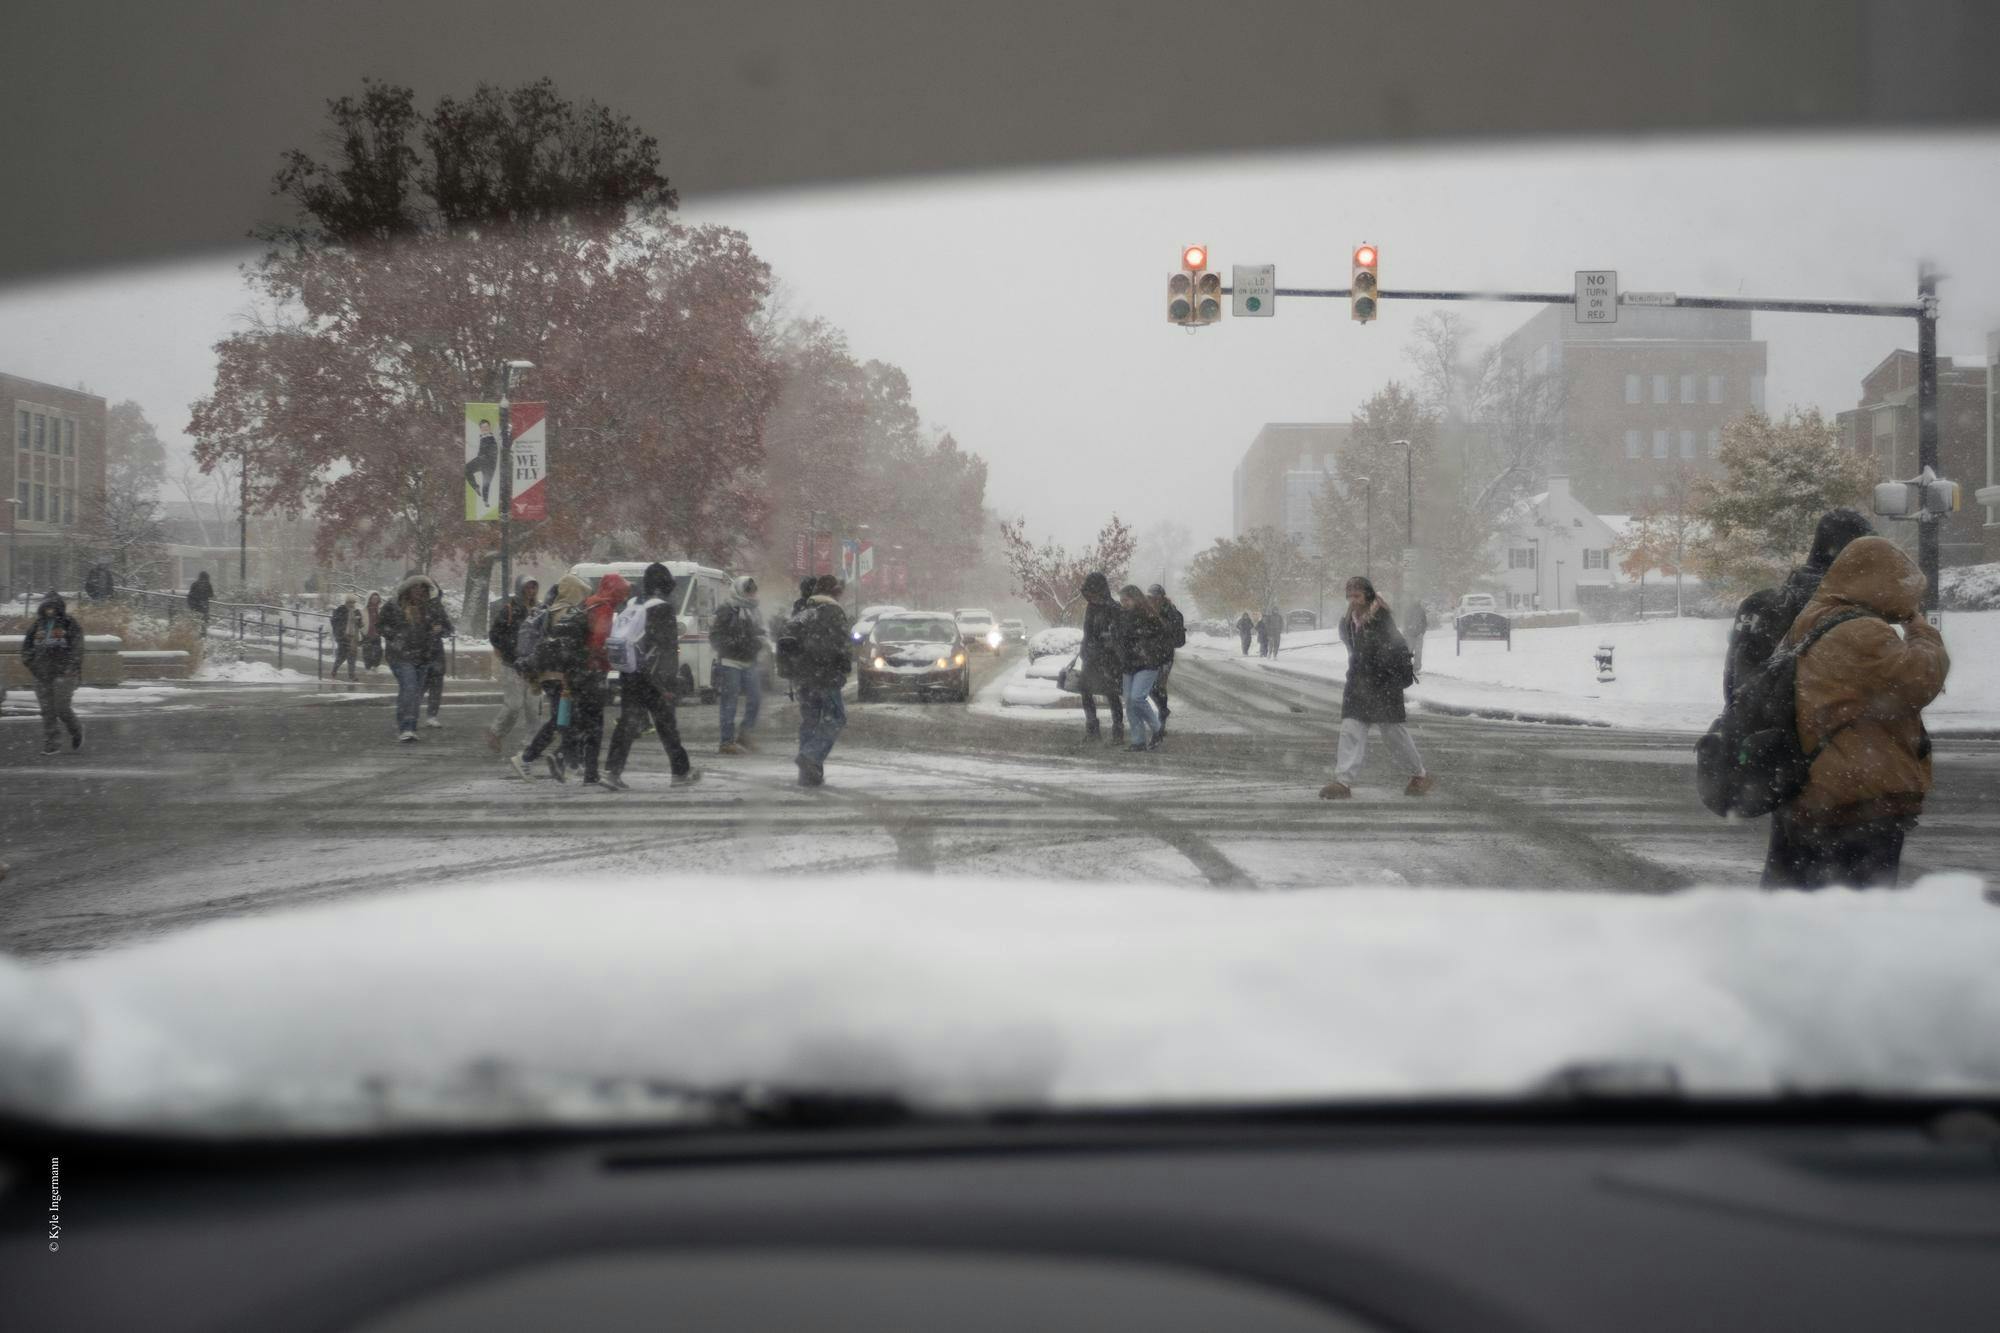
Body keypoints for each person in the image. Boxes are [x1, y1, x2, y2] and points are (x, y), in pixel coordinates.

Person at [1762, 536, 1948, 890]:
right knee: (1861, 913)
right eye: (1904, 587)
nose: (1911, 599)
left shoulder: (1814, 617)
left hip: (1815, 789)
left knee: (1813, 905)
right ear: (1877, 583)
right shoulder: (1862, 631)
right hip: (1858, 798)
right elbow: (1921, 678)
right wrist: (1921, 630)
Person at [1724, 508, 1874, 700]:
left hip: (1751, 725)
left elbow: (1734, 686)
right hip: (1812, 727)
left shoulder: (1757, 604)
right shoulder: (1852, 612)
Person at [1321, 576, 1433, 799]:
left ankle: (1419, 775)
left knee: (1394, 735)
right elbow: (1354, 649)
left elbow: (1395, 649)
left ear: (1368, 595)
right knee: (1350, 730)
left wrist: (1389, 674)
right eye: (1350, 596)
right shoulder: (1349, 621)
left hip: (1384, 686)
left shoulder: (1381, 619)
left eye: (1357, 595)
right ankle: (1343, 782)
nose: (1353, 600)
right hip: (1358, 686)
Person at [604, 563, 700, 791]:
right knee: (667, 726)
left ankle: (612, 772)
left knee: (627, 723)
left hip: (630, 672)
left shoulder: (633, 603)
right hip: (652, 677)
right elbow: (667, 648)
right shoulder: (662, 608)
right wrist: (669, 683)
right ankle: (680, 772)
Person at [513, 577, 590, 781]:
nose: (583, 596)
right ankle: (527, 758)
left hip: (549, 673)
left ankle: (570, 761)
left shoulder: (552, 610)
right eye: (580, 592)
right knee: (560, 720)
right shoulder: (566, 612)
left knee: (565, 719)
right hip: (558, 675)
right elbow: (565, 648)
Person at [786, 573, 852, 787]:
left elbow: (788, 640)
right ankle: (810, 756)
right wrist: (843, 668)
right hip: (826, 675)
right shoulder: (833, 612)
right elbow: (840, 645)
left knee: (810, 721)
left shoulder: (803, 610)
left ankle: (809, 774)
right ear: (834, 592)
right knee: (836, 718)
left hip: (804, 675)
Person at [562, 571, 628, 786]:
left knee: (581, 719)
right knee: (594, 724)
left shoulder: (589, 602)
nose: (623, 596)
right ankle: (589, 771)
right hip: (593, 670)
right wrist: (609, 659)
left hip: (577, 669)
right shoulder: (605, 608)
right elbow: (599, 640)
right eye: (621, 591)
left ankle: (567, 757)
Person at [377, 573, 447, 742]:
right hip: (400, 655)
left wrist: (440, 630)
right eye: (416, 588)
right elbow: (380, 625)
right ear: (408, 589)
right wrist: (395, 636)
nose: (419, 591)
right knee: (409, 687)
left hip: (422, 655)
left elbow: (444, 626)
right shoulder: (394, 606)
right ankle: (406, 727)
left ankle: (409, 725)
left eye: (423, 588)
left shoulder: (429, 607)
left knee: (413, 692)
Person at [21, 591, 84, 755]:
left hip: (65, 674)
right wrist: (31, 663)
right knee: (47, 710)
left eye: (53, 606)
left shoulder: (69, 623)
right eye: (47, 606)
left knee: (62, 708)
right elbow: (26, 648)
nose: (50, 610)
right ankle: (52, 743)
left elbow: (77, 648)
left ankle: (76, 730)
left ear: (59, 607)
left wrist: (71, 666)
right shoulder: (37, 625)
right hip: (41, 674)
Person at [712, 575, 767, 755]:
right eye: (748, 591)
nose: (751, 595)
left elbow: (760, 632)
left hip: (749, 660)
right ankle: (726, 741)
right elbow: (716, 636)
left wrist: (758, 642)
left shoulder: (753, 611)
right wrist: (735, 644)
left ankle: (745, 733)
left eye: (752, 591)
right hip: (730, 662)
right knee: (730, 702)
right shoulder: (726, 610)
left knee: (755, 699)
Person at [1115, 584, 1174, 751]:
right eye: (1122, 601)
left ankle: (1157, 728)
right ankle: (1138, 740)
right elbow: (1121, 638)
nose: (1123, 603)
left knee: (1137, 698)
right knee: (1130, 702)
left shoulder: (1149, 616)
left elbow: (1161, 639)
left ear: (1135, 598)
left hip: (1147, 663)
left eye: (1126, 600)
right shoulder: (1123, 616)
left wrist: (1148, 651)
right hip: (1129, 664)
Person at [485, 576, 539, 753]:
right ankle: (496, 731)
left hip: (533, 665)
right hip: (512, 664)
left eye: (534, 588)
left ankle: (531, 742)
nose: (531, 592)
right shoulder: (509, 609)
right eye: (528, 588)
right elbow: (494, 634)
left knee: (533, 705)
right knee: (514, 704)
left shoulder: (539, 610)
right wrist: (510, 648)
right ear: (520, 589)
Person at [1075, 571, 1124, 743]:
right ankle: (1092, 729)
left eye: (1093, 593)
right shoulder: (1091, 608)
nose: (1090, 597)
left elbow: (1118, 636)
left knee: (1112, 693)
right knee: (1085, 690)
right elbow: (1087, 632)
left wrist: (1106, 642)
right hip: (1091, 657)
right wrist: (1084, 648)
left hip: (1109, 660)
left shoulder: (1114, 608)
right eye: (1088, 594)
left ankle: (1118, 731)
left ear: (1101, 591)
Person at [1146, 583, 1186, 741]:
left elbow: (1174, 635)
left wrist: (1159, 625)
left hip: (1165, 656)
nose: (1152, 600)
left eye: (1154, 597)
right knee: (1149, 688)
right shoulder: (1147, 611)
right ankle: (1163, 710)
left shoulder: (1171, 613)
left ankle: (1161, 723)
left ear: (1161, 597)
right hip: (1149, 655)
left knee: (1159, 686)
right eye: (1150, 597)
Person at [420, 583, 455, 728]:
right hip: (419, 651)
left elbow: (449, 628)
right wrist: (427, 631)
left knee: (436, 684)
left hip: (435, 651)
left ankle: (432, 715)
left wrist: (441, 630)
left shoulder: (437, 606)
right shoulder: (414, 606)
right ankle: (410, 713)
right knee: (419, 685)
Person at [329, 592, 365, 682]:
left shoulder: (357, 612)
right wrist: (339, 633)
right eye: (350, 602)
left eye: (353, 602)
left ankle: (351, 675)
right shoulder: (340, 610)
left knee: (352, 657)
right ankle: (334, 670)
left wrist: (358, 621)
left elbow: (361, 625)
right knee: (342, 656)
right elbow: (334, 622)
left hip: (353, 637)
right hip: (343, 636)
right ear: (346, 602)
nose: (351, 604)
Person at [465, 418, 500, 507]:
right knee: (467, 469)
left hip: (488, 462)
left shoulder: (491, 437)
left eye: (486, 426)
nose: (485, 428)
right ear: (480, 428)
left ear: (489, 427)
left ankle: (485, 500)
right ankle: (476, 487)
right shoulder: (481, 437)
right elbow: (476, 447)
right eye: (483, 427)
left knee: (486, 482)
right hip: (482, 460)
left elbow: (493, 451)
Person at [360, 591, 385, 672]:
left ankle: (376, 665)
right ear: (369, 599)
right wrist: (362, 630)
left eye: (377, 599)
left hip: (377, 634)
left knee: (379, 651)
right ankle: (368, 667)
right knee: (367, 652)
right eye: (373, 598)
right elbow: (360, 622)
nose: (375, 600)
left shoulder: (380, 610)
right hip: (367, 634)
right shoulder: (363, 610)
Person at [1405, 599, 1430, 676]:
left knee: (1416, 653)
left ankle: (1416, 668)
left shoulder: (1421, 611)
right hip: (1411, 635)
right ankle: (1409, 668)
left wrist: (1422, 632)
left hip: (1417, 635)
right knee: (1410, 652)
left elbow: (1424, 623)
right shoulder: (1409, 610)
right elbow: (1405, 622)